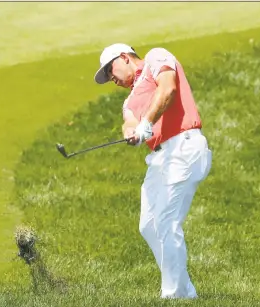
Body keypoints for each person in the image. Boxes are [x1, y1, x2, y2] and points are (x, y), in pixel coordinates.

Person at [94, 43, 212, 299]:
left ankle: (175, 295)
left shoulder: (156, 58)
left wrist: (147, 122)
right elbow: (130, 121)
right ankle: (184, 289)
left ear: (124, 57)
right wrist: (132, 132)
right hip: (159, 159)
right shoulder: (129, 100)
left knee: (166, 222)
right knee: (148, 225)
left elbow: (168, 88)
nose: (111, 79)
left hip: (183, 147)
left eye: (110, 70)